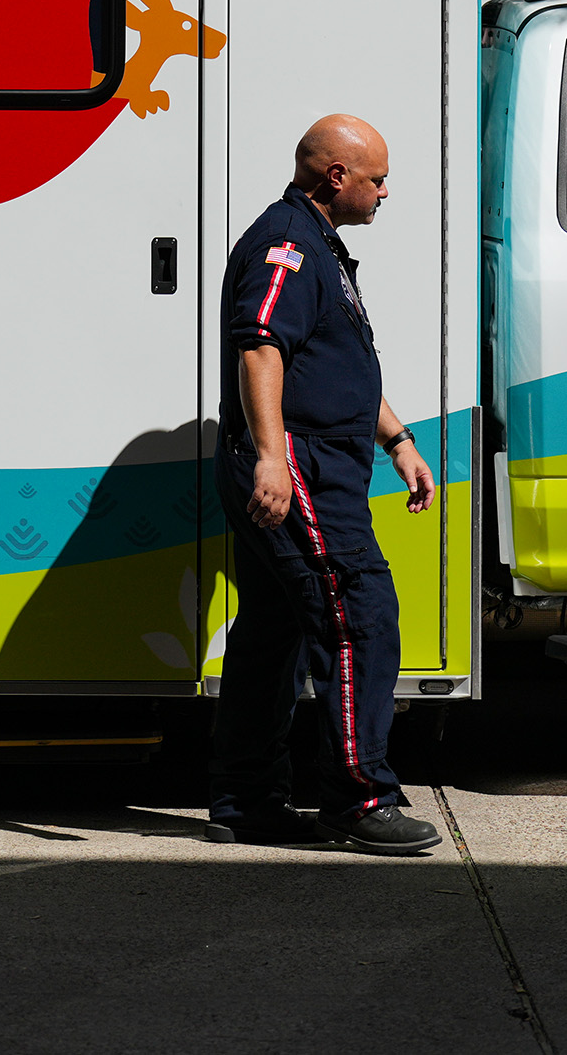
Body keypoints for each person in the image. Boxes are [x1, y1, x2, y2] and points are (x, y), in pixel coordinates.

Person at [206, 113, 441, 855]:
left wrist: (397, 439)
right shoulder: (288, 248)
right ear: (335, 176)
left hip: (317, 460)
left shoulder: (318, 245)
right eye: (377, 177)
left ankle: (247, 797)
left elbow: (333, 366)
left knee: (273, 628)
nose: (385, 191)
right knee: (359, 614)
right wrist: (273, 457)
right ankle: (358, 797)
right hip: (298, 465)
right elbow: (262, 348)